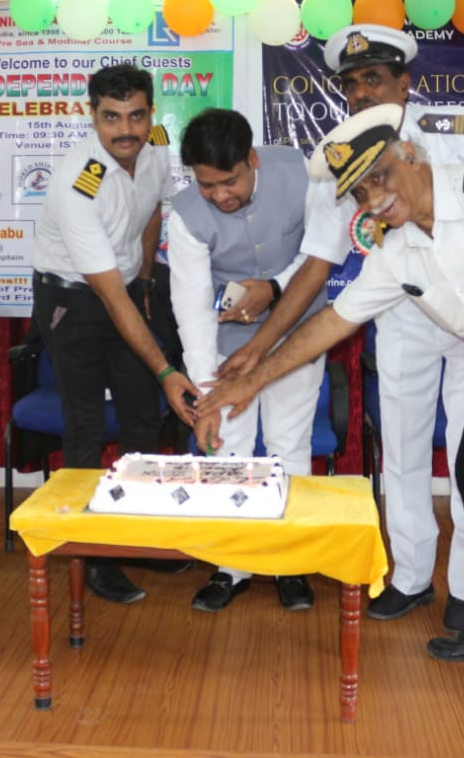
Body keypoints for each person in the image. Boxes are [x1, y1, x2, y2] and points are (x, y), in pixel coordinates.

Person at [201, 103, 464, 706]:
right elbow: (332, 321)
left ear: (411, 154)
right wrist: (251, 381)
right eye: (358, 192)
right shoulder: (398, 252)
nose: (373, 199)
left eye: (379, 176)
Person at [215, 24, 464, 630]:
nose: (362, 93)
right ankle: (413, 577)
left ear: (405, 81)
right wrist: (262, 347)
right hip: (399, 313)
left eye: (374, 78)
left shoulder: (457, 128)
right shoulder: (339, 156)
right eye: (351, 85)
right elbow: (317, 265)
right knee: (401, 449)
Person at [31, 63, 196, 604]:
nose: (125, 130)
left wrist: (147, 276)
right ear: (92, 115)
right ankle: (92, 555)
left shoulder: (156, 147)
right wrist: (166, 367)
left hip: (125, 287)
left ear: (151, 112)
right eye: (111, 118)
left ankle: (134, 538)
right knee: (82, 425)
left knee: (142, 417)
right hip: (73, 300)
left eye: (136, 115)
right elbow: (106, 295)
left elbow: (152, 211)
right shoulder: (79, 181)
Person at [169, 108, 324, 613]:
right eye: (207, 185)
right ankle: (230, 565)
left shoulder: (300, 172)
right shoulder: (186, 213)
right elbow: (191, 306)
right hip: (225, 343)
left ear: (252, 158)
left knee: (288, 445)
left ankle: (289, 563)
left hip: (298, 333)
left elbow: (323, 250)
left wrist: (276, 287)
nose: (219, 195)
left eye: (229, 181)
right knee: (226, 447)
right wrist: (204, 392)